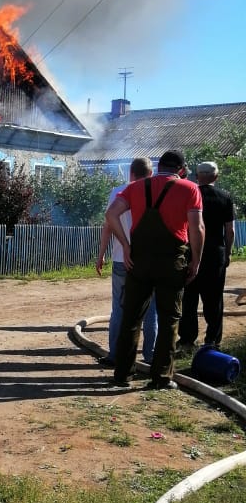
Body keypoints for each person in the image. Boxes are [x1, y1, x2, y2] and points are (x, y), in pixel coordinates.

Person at [104, 149, 204, 391]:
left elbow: (110, 214)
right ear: (181, 169)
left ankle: (122, 375)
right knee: (169, 318)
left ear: (159, 167)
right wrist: (196, 261)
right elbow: (197, 227)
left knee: (131, 317)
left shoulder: (137, 187)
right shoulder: (189, 188)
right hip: (171, 263)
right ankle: (160, 377)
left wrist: (126, 247)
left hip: (138, 262)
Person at [95, 156, 157, 367]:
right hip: (149, 261)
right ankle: (150, 356)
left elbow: (108, 225)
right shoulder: (156, 192)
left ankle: (115, 355)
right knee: (150, 311)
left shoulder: (117, 192)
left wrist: (101, 254)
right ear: (151, 174)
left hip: (122, 259)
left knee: (119, 309)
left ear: (130, 172)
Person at [178, 161, 235, 350]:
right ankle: (212, 340)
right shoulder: (225, 197)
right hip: (215, 255)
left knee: (189, 299)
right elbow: (230, 231)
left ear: (197, 176)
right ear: (216, 177)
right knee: (214, 299)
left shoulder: (188, 194)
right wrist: (227, 253)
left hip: (190, 253)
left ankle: (187, 339)